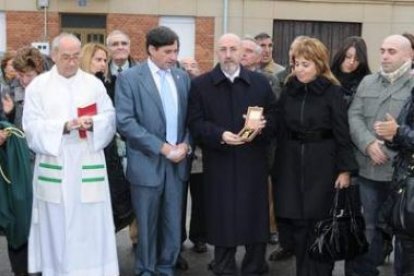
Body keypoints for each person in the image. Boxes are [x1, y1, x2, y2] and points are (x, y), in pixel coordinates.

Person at [22, 33, 119, 275]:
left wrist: (93, 122)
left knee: (90, 225)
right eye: (66, 57)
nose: (72, 62)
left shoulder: (93, 84)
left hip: (88, 160)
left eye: (76, 56)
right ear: (54, 56)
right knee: (56, 224)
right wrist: (63, 127)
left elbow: (109, 118)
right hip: (55, 160)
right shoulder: (39, 86)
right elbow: (31, 127)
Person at [188, 33, 275, 275]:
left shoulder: (260, 83)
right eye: (223, 49)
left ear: (242, 52)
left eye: (233, 49)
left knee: (255, 216)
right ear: (217, 52)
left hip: (253, 160)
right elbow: (194, 123)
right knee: (222, 215)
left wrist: (263, 125)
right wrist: (220, 135)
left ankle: (255, 266)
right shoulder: (201, 84)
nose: (228, 54)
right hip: (220, 160)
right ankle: (224, 266)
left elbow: (276, 116)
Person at [272, 37, 357, 276]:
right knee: (298, 225)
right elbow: (277, 124)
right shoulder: (289, 89)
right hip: (290, 163)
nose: (299, 69)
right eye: (296, 64)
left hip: (323, 164)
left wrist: (345, 170)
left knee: (320, 225)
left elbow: (342, 132)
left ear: (319, 64)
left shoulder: (332, 91)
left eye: (305, 64)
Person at [115, 26, 191, 276]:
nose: (173, 56)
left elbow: (191, 118)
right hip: (147, 163)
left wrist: (186, 144)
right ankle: (146, 269)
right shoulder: (130, 78)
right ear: (151, 49)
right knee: (146, 224)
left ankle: (166, 267)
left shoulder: (182, 77)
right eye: (168, 51)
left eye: (176, 51)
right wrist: (162, 148)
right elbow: (125, 122)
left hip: (177, 163)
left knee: (173, 222)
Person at [348, 34, 414, 276]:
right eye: (383, 50)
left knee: (404, 232)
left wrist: (386, 147)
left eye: (392, 52)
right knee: (371, 227)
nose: (385, 56)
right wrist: (368, 145)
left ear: (409, 55)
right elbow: (354, 116)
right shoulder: (367, 82)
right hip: (370, 170)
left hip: (403, 176)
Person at [80, 43, 134, 232]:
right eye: (98, 59)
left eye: (105, 60)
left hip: (108, 153)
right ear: (86, 60)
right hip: (83, 154)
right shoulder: (76, 87)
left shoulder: (107, 85)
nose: (103, 64)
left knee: (113, 208)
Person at [374, 88, 414, 276]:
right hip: (405, 187)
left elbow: (402, 132)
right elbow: (400, 136)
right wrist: (390, 136)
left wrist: (398, 132)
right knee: (404, 250)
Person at [106, 29, 138, 245]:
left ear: (129, 46)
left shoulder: (141, 74)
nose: (120, 47)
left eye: (123, 43)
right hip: (108, 144)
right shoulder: (99, 74)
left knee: (138, 192)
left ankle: (138, 240)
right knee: (115, 193)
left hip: (135, 142)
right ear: (109, 48)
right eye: (115, 43)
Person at [178, 56, 207, 254]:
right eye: (184, 66)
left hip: (200, 155)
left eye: (193, 65)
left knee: (201, 199)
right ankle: (177, 239)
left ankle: (199, 237)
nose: (189, 69)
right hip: (178, 154)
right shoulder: (175, 89)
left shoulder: (205, 91)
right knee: (177, 201)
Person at [1, 47, 45, 130]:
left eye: (29, 75)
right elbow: (4, 128)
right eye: (20, 75)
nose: (24, 80)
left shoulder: (51, 89)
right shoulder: (8, 91)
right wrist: (10, 113)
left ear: (39, 72)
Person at [331, 36, 371, 106]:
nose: (351, 62)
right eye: (348, 57)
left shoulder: (366, 82)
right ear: (341, 55)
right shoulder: (327, 77)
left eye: (357, 59)